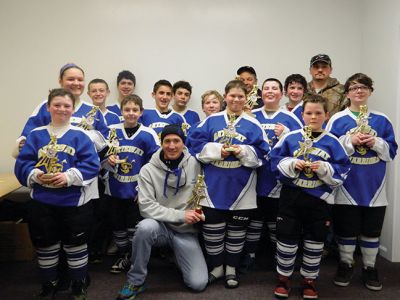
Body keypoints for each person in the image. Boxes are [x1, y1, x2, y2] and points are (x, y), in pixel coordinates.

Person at [14, 88, 100, 300]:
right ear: (48, 107)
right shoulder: (36, 135)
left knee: (75, 245)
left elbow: (91, 164)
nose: (62, 109)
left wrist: (69, 177)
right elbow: (23, 162)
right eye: (57, 105)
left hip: (74, 203)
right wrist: (34, 174)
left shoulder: (81, 135)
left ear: (73, 109)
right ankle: (48, 283)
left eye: (66, 106)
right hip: (42, 201)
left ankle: (78, 283)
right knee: (46, 245)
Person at [187, 80, 270, 289]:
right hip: (211, 186)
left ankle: (231, 268)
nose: (236, 99)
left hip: (243, 188)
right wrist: (217, 150)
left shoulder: (253, 124)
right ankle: (216, 268)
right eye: (232, 96)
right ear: (225, 97)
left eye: (240, 96)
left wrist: (243, 152)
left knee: (236, 231)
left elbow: (263, 154)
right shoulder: (211, 121)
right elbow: (193, 146)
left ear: (246, 98)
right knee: (213, 229)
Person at [270, 94, 351, 299]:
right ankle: (284, 278)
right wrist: (290, 164)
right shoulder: (290, 137)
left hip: (319, 200)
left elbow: (343, 169)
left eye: (318, 113)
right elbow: (274, 161)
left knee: (315, 241)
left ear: (326, 115)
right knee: (286, 238)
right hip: (291, 198)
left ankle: (309, 280)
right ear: (302, 114)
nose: (313, 117)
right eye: (308, 113)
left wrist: (324, 168)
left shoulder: (332, 141)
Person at [116, 124, 208, 299]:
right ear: (161, 143)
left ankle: (177, 256)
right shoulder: (148, 170)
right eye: (167, 141)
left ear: (183, 143)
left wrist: (200, 212)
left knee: (198, 284)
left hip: (185, 231)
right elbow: (146, 207)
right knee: (144, 228)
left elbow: (203, 194)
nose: (172, 146)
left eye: (176, 141)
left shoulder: (195, 164)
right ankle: (136, 280)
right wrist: (181, 215)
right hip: (160, 227)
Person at [326, 73, 398, 291]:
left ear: (370, 91)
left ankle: (369, 266)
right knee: (346, 229)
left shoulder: (382, 119)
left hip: (375, 187)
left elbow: (391, 152)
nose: (359, 91)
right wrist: (350, 140)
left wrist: (375, 141)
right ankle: (346, 263)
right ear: (347, 93)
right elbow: (328, 149)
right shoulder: (338, 119)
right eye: (354, 87)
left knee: (371, 230)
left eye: (364, 87)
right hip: (347, 186)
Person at [240, 78, 303, 272]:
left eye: (274, 88)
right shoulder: (250, 115)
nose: (270, 91)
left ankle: (279, 257)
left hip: (278, 180)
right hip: (253, 176)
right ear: (260, 93)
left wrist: (286, 134)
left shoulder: (291, 118)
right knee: (254, 220)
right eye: (266, 88)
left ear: (281, 93)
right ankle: (249, 255)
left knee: (277, 221)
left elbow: (301, 147)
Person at [103, 95, 160, 274]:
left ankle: (133, 257)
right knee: (116, 224)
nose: (131, 113)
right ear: (121, 112)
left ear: (141, 112)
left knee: (133, 225)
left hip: (136, 190)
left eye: (135, 110)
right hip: (114, 188)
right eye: (127, 110)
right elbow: (98, 158)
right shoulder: (111, 131)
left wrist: (147, 189)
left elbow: (155, 166)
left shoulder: (148, 134)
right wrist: (107, 160)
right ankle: (123, 254)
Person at [15, 63, 109, 155]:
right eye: (71, 79)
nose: (76, 83)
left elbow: (106, 142)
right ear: (60, 81)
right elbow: (28, 137)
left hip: (83, 167)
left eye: (80, 79)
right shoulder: (46, 106)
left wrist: (88, 137)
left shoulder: (94, 110)